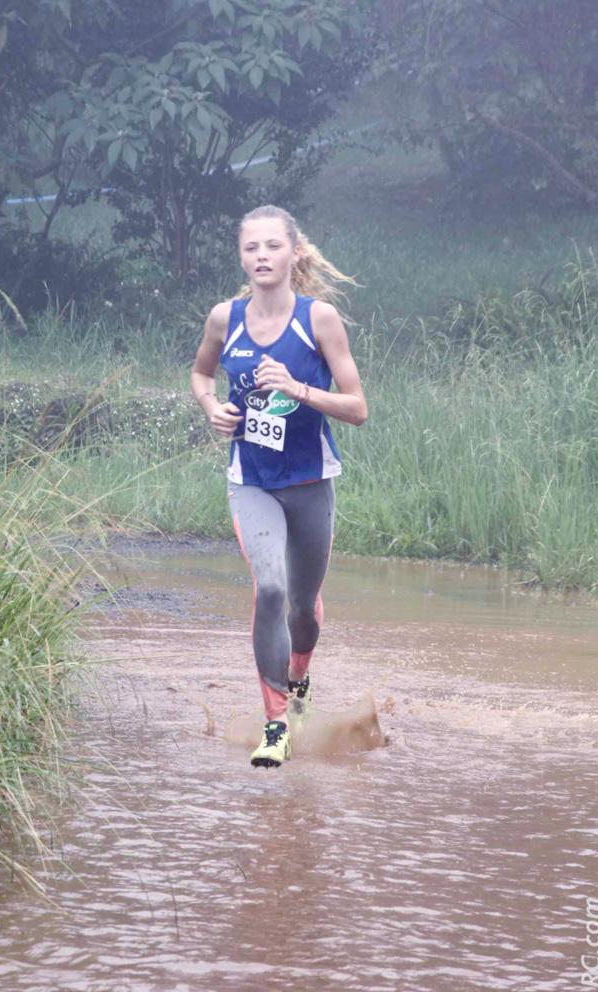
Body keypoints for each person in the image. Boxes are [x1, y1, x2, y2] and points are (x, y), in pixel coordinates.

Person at [190, 204, 367, 768]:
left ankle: (298, 679)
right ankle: (276, 727)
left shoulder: (319, 320)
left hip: (311, 482)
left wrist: (298, 387)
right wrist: (212, 406)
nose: (261, 256)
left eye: (272, 246)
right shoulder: (225, 318)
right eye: (251, 248)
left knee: (303, 612)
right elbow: (201, 374)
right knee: (270, 589)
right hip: (253, 482)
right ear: (241, 257)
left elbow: (358, 408)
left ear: (294, 253)